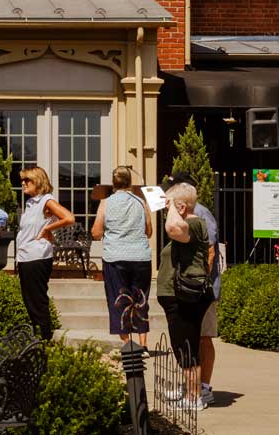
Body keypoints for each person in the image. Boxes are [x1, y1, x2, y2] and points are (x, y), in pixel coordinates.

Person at [157, 182, 214, 411]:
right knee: (183, 346)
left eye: (168, 205)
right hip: (175, 297)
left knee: (187, 347)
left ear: (180, 207)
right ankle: (190, 392)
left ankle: (194, 397)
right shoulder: (187, 223)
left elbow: (173, 229)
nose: (164, 210)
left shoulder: (195, 223)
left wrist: (172, 207)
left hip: (186, 297)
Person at [169, 171, 222, 404]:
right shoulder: (182, 213)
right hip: (191, 287)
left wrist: (198, 281)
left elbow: (209, 250)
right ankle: (190, 386)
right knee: (190, 338)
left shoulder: (200, 213)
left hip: (201, 289)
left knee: (203, 338)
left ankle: (203, 387)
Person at [91, 166, 152, 349]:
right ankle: (144, 344)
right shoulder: (141, 202)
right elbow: (148, 231)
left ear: (113, 183)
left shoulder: (106, 202)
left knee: (118, 299)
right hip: (141, 256)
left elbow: (96, 232)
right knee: (140, 299)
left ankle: (128, 343)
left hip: (115, 257)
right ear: (130, 183)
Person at [16, 167, 75, 340]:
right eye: (22, 180)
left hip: (37, 257)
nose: (23, 183)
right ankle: (37, 338)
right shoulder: (31, 203)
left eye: (27, 180)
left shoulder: (46, 200)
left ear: (38, 181)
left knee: (37, 300)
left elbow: (69, 218)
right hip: (26, 257)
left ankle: (44, 339)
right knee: (29, 300)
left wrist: (48, 228)